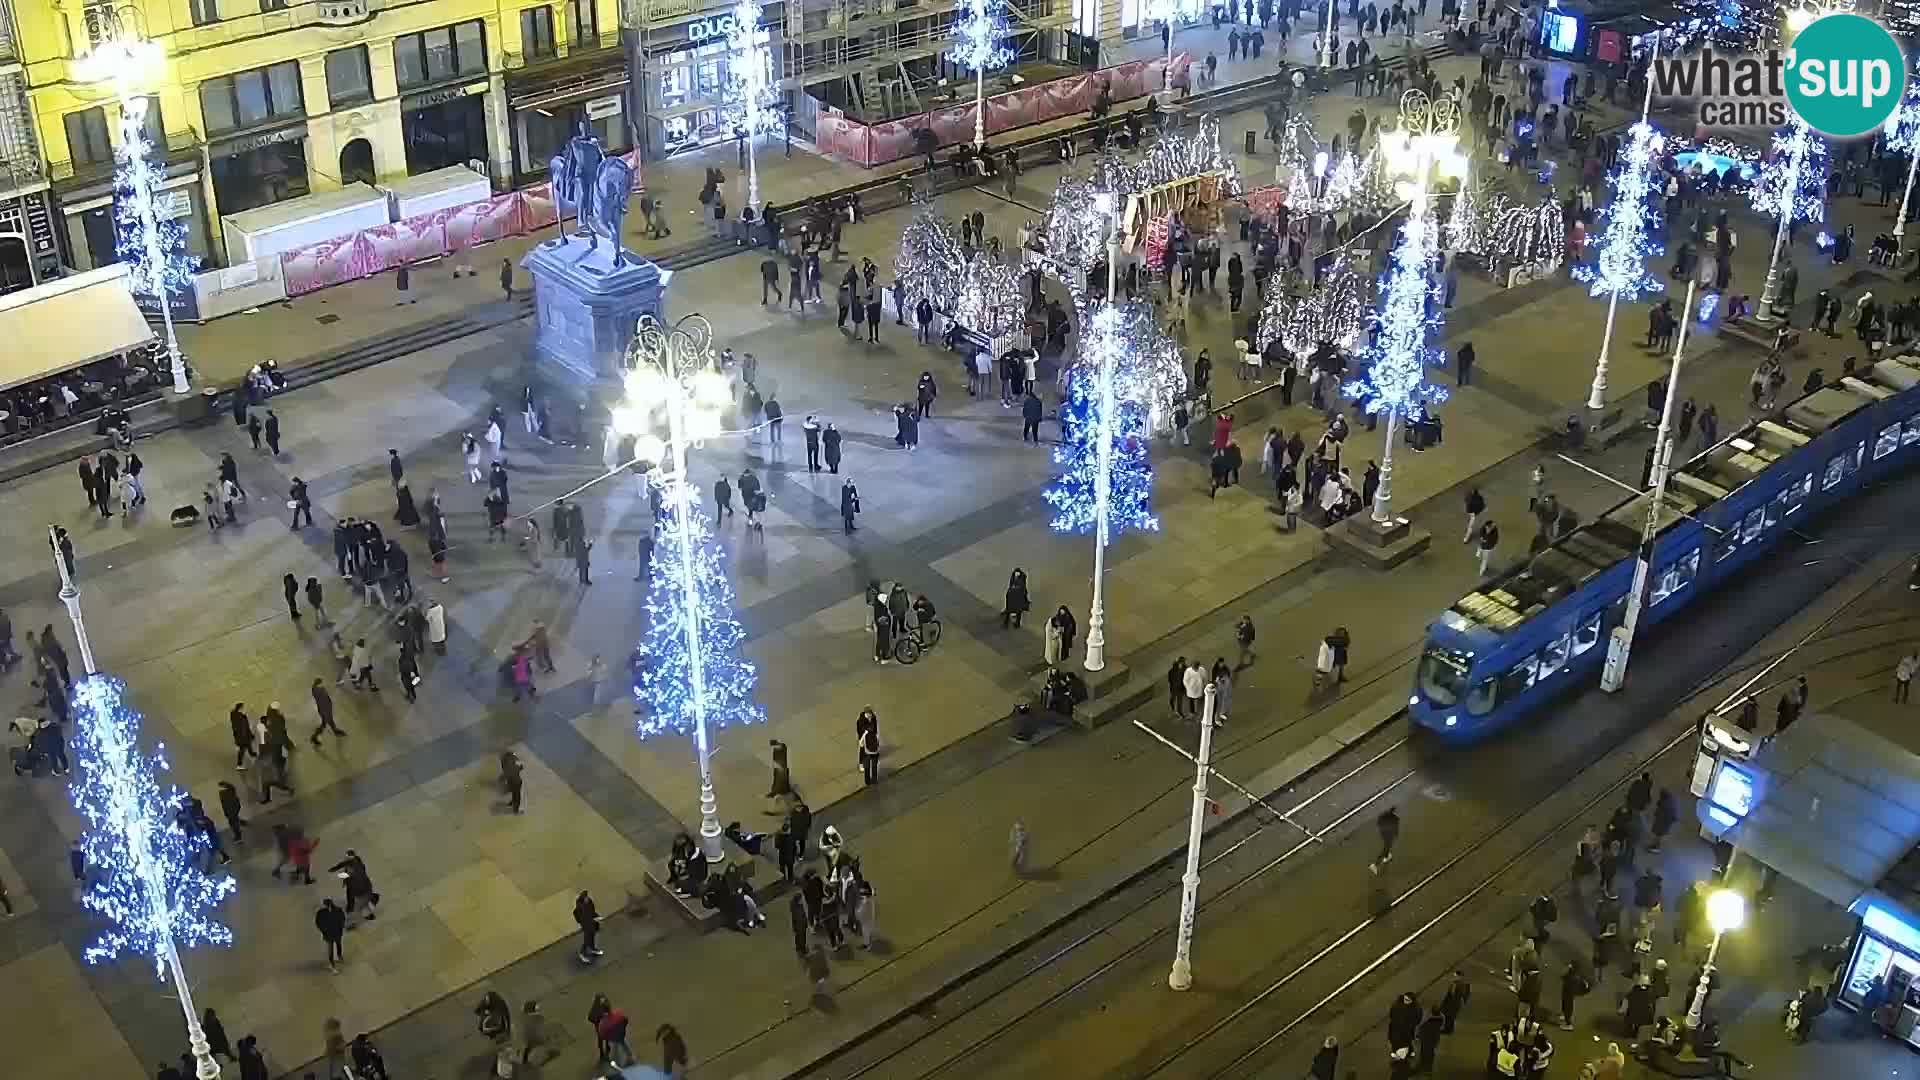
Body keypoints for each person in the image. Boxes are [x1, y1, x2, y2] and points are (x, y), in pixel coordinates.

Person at [316, 898, 346, 971]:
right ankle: (339, 957)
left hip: (329, 933)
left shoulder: (321, 912)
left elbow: (318, 922)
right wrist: (340, 928)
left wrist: (323, 930)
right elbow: (342, 919)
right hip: (337, 932)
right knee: (338, 944)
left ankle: (332, 963)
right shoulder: (338, 910)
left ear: (325, 905)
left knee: (331, 948)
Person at [574, 890, 604, 962]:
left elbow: (593, 912)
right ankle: (582, 954)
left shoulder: (589, 902)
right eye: (585, 898)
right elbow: (582, 918)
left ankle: (592, 949)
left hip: (592, 923)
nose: (587, 898)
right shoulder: (580, 907)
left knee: (592, 937)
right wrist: (593, 920)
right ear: (583, 899)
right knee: (587, 940)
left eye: (587, 897)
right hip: (586, 925)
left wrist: (597, 917)